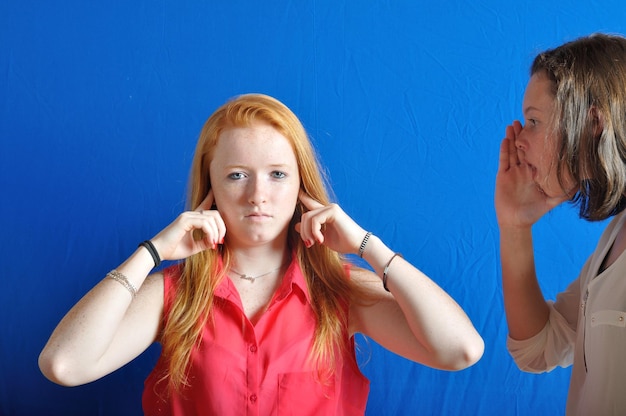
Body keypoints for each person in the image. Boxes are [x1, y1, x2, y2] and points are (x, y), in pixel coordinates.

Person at [39, 93, 484, 415]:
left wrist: (368, 247)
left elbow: (461, 350)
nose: (258, 195)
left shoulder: (341, 292)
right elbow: (64, 365)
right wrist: (153, 253)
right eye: (236, 175)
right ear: (209, 188)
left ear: (301, 186)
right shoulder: (172, 296)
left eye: (276, 174)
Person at [496, 33, 626, 415]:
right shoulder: (613, 240)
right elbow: (537, 349)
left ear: (594, 120)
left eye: (534, 120)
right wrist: (515, 226)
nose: (519, 138)